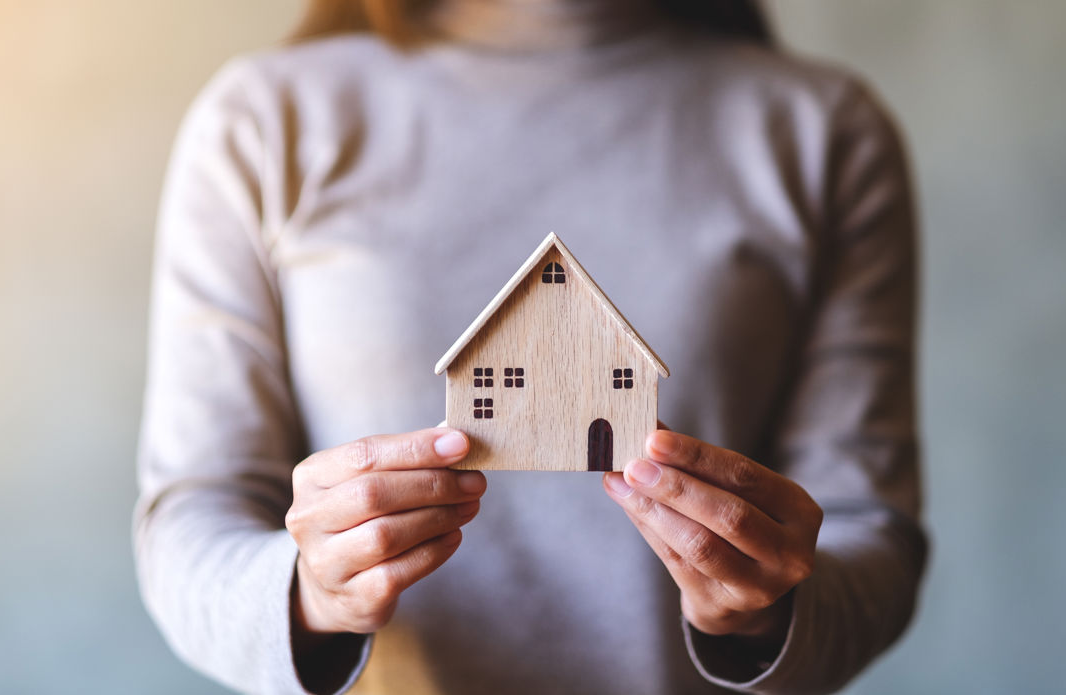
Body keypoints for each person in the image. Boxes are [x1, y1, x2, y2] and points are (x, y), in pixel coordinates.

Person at [134, 1, 927, 693]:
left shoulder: (822, 132)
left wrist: (770, 610)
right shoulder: (265, 122)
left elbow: (873, 536)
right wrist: (309, 595)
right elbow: (191, 518)